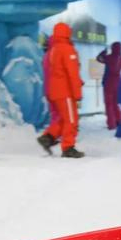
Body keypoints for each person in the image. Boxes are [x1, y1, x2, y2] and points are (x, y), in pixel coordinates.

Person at [37, 22, 84, 158]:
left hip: (52, 92)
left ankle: (48, 137)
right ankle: (68, 147)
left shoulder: (50, 51)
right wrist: (77, 93)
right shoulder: (67, 50)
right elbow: (72, 73)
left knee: (61, 119)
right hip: (65, 92)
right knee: (71, 119)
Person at [96, 42, 121, 130]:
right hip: (118, 83)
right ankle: (119, 120)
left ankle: (111, 123)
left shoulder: (109, 58)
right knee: (116, 103)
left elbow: (99, 58)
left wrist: (103, 52)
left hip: (108, 82)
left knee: (109, 104)